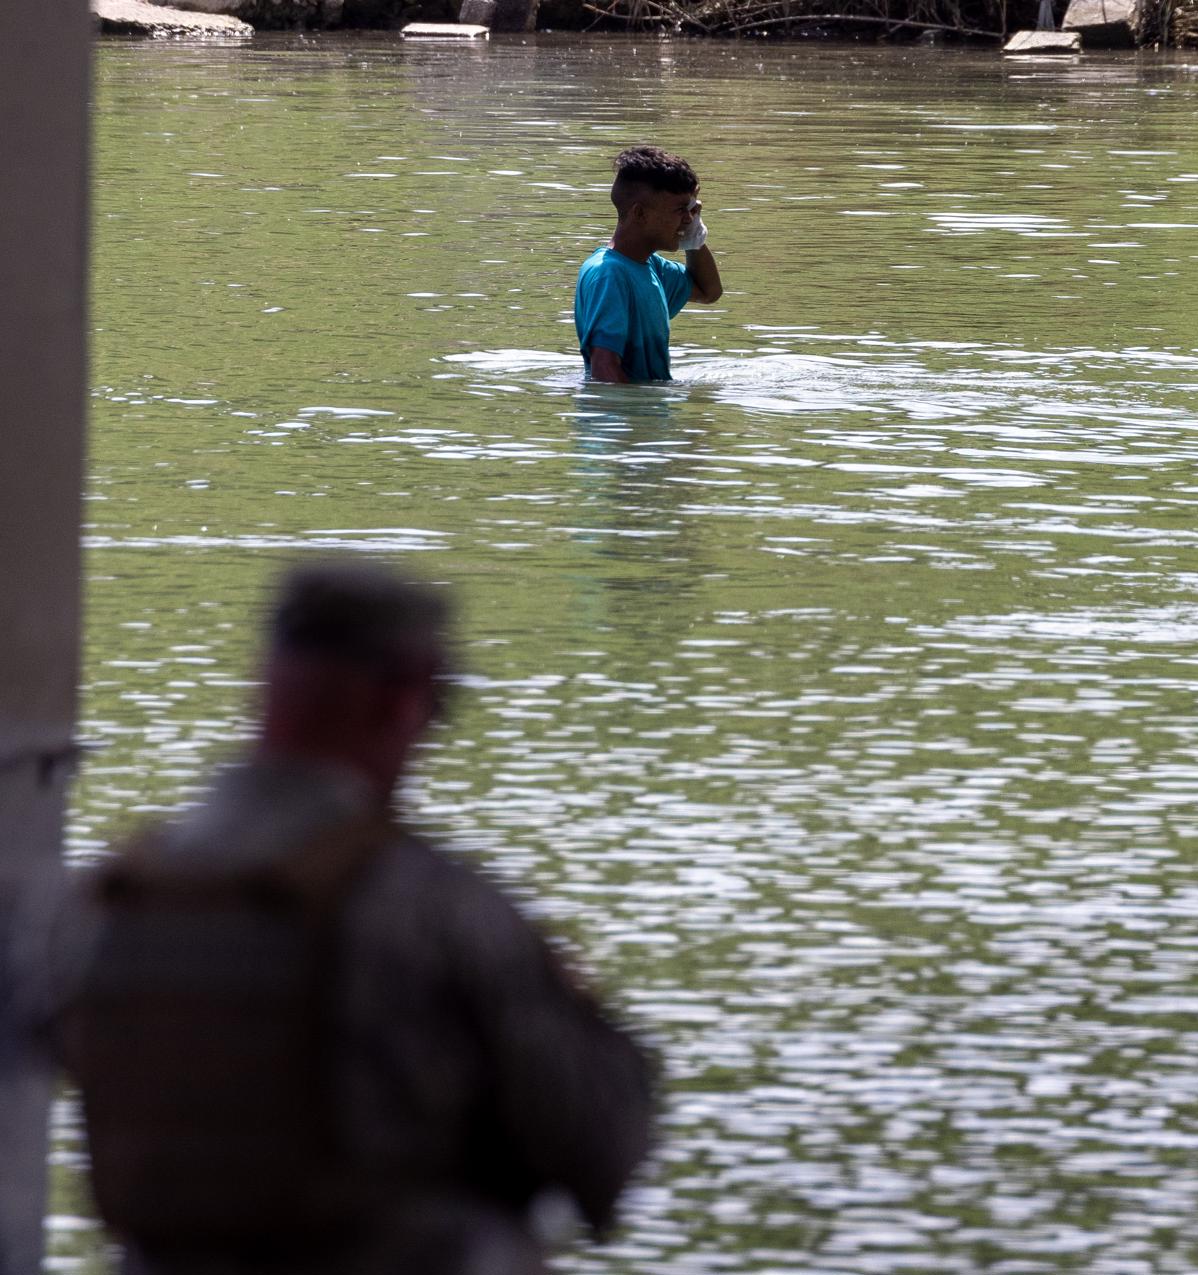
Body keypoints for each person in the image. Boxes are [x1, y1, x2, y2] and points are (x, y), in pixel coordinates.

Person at [22, 561, 660, 1275]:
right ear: (405, 699)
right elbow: (603, 1145)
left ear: (263, 684)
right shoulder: (434, 909)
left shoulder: (95, 907)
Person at [575, 144, 723, 383]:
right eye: (680, 210)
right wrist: (640, 417)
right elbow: (603, 368)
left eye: (691, 210)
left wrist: (694, 240)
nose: (688, 218)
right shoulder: (609, 274)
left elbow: (709, 292)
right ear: (639, 213)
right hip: (628, 418)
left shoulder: (651, 266)